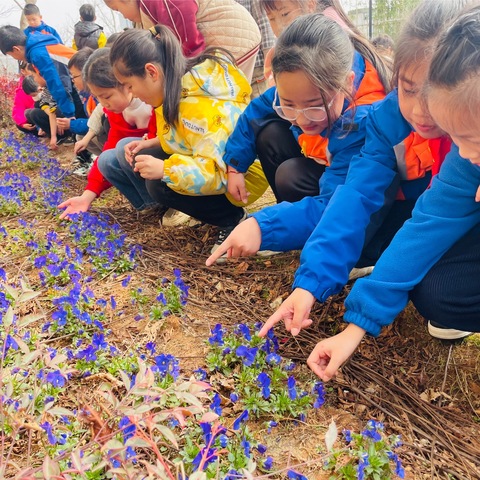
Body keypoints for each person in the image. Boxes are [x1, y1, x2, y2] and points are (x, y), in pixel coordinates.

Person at [244, 0, 465, 342]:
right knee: (428, 278)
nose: (420, 111)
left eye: (431, 93)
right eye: (407, 89)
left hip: (435, 206)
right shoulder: (386, 118)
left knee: (434, 277)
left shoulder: (461, 134)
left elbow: (434, 218)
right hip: (428, 204)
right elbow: (353, 196)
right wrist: (311, 285)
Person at [307, 3, 480, 382]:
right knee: (433, 284)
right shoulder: (463, 157)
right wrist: (356, 325)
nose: (462, 153)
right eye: (409, 89)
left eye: (466, 139)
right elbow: (429, 221)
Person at [98, 25, 268, 239]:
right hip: (214, 165)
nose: (131, 94)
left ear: (152, 72)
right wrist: (152, 143)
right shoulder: (174, 91)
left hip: (240, 180)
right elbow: (187, 138)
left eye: (129, 85)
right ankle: (205, 211)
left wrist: (166, 169)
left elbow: (218, 173)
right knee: (149, 162)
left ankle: (233, 219)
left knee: (159, 184)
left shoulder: (199, 109)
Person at [58, 48, 156, 219]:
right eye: (99, 98)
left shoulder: (151, 102)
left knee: (122, 147)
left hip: (169, 164)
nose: (104, 104)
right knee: (106, 159)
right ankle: (150, 205)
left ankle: (167, 201)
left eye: (107, 96)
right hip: (147, 162)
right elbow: (111, 144)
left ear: (126, 84)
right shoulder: (116, 112)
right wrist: (87, 196)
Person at [103, 0, 261, 81]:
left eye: (117, 10)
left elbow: (183, 36)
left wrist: (193, 71)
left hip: (230, 39)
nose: (123, 15)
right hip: (227, 41)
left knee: (226, 104)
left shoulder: (152, 2)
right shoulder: (145, 13)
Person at [0, 25, 85, 125]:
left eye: (11, 55)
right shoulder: (38, 44)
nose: (15, 58)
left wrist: (70, 115)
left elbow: (58, 84)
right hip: (78, 79)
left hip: (86, 78)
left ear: (16, 49)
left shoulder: (38, 54)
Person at [236, 0, 276, 98]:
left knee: (260, 105)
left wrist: (269, 60)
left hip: (256, 64)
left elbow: (264, 23)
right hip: (236, 66)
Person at [22, 65, 63, 150]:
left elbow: (52, 114)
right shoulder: (40, 98)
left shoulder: (46, 92)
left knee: (34, 113)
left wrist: (53, 136)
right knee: (30, 111)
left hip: (63, 122)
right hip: (56, 119)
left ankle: (59, 137)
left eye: (34, 95)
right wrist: (40, 127)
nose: (34, 97)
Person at [11, 60, 36, 135]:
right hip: (32, 116)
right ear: (23, 71)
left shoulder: (41, 81)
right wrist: (23, 123)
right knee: (20, 125)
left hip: (43, 113)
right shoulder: (21, 90)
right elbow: (18, 107)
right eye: (30, 68)